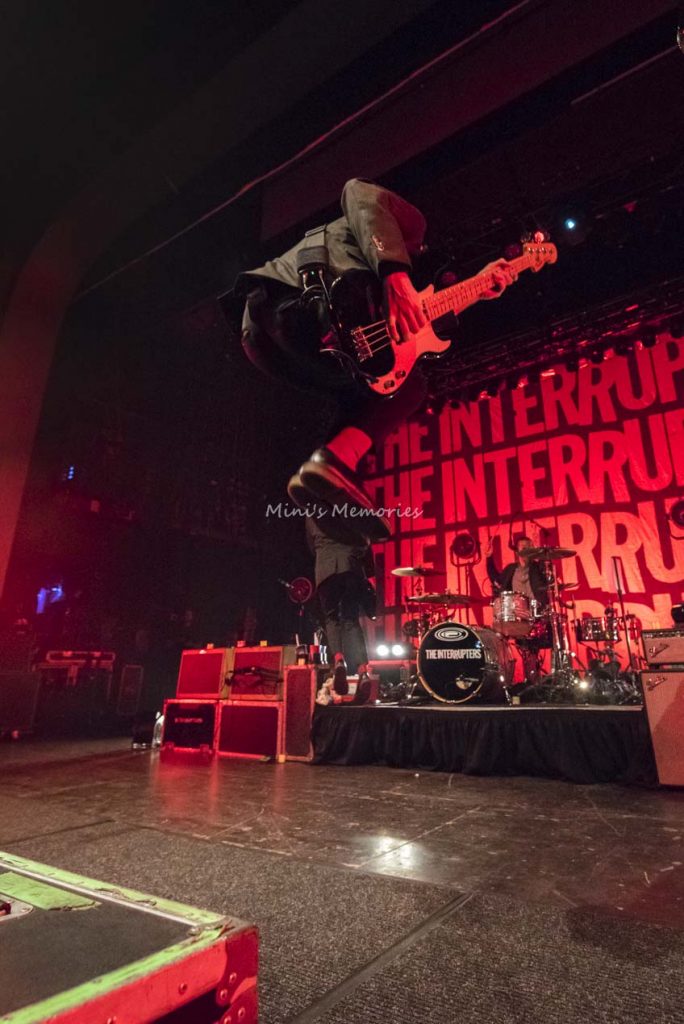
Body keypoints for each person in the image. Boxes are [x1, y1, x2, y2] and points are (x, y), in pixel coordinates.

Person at [236, 178, 517, 539]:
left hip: (271, 346)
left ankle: (329, 465)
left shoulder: (399, 290)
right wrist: (395, 274)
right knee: (407, 385)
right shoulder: (411, 227)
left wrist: (478, 287)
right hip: (293, 304)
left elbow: (426, 310)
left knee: (394, 390)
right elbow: (355, 191)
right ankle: (332, 466)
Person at [305, 511, 375, 674]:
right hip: (350, 567)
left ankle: (338, 661)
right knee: (351, 619)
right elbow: (364, 542)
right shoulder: (350, 508)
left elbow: (312, 545)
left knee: (331, 618)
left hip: (325, 570)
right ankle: (362, 668)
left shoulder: (312, 512)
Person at [487, 535, 550, 685]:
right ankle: (509, 681)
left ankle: (535, 682)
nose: (527, 550)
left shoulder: (538, 568)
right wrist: (489, 558)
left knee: (533, 648)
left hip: (536, 614)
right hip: (517, 614)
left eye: (530, 547)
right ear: (517, 551)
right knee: (503, 640)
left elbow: (548, 576)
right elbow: (496, 579)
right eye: (524, 547)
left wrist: (540, 553)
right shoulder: (511, 569)